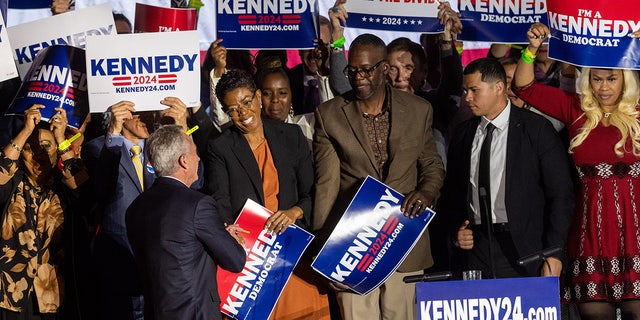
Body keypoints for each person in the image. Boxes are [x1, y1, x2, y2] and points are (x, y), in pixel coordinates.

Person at [313, 33, 444, 320]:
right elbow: (327, 184)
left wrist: (426, 193)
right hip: (354, 246)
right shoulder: (330, 115)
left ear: (384, 68)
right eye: (353, 70)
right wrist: (326, 251)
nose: (359, 77)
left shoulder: (419, 110)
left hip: (404, 242)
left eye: (367, 69)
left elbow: (432, 166)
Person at [513, 22, 640, 320]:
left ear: (625, 80)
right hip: (590, 234)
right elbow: (525, 87)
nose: (604, 86)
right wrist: (531, 49)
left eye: (611, 78)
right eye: (597, 79)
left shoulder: (637, 111)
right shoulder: (576, 110)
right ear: (588, 80)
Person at [205, 69, 329, 319]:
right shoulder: (220, 147)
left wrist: (295, 212)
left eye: (247, 102)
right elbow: (220, 200)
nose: (243, 114)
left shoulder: (292, 137)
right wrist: (231, 231)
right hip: (252, 261)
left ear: (258, 97)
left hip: (294, 254)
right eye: (233, 109)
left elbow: (314, 191)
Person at [438, 57, 574, 279]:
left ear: (499, 88)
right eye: (465, 91)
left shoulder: (535, 128)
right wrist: (456, 230)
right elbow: (452, 194)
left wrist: (555, 252)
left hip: (526, 248)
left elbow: (561, 195)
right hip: (476, 249)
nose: (468, 97)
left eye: (474, 90)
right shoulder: (463, 133)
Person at [84, 97, 210, 320]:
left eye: (152, 111)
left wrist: (182, 131)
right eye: (139, 112)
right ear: (122, 114)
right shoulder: (99, 147)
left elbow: (196, 184)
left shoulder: (163, 147)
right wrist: (113, 133)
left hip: (164, 262)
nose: (148, 118)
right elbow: (102, 190)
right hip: (120, 258)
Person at [126, 125, 246, 320]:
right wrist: (230, 240)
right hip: (194, 314)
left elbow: (177, 249)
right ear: (183, 161)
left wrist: (216, 235)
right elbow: (235, 260)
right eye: (195, 152)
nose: (198, 158)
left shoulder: (135, 208)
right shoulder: (199, 204)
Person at [0, 105, 88, 319]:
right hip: (10, 297)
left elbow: (82, 186)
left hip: (53, 294)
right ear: (22, 155)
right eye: (31, 149)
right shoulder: (13, 184)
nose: (39, 154)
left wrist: (61, 138)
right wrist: (25, 132)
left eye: (46, 147)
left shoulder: (63, 186)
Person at [256, 67, 314, 146]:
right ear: (258, 96)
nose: (275, 99)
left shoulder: (308, 123)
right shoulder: (252, 136)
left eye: (282, 93)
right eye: (267, 93)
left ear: (291, 95)